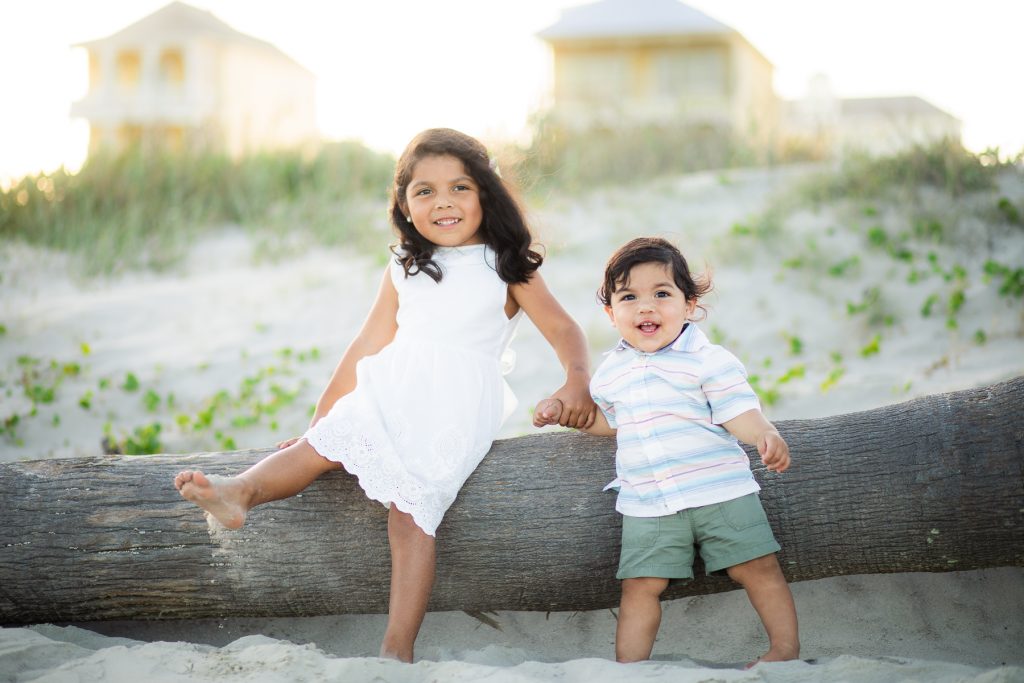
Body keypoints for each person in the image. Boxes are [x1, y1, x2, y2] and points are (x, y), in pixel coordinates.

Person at [175, 128, 597, 662]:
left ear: (486, 195)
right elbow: (367, 344)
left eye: (459, 188)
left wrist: (576, 380)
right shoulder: (405, 263)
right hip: (392, 383)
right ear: (404, 204)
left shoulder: (505, 265)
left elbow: (564, 330)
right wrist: (318, 420)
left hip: (457, 401)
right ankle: (239, 494)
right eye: (424, 191)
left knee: (411, 512)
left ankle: (397, 648)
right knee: (321, 447)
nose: (443, 202)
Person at [534, 236, 799, 666]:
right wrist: (568, 414)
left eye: (662, 294)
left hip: (721, 492)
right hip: (648, 502)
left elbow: (737, 411)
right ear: (611, 313)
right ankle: (629, 668)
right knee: (640, 585)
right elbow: (612, 422)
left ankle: (784, 649)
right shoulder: (611, 373)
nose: (646, 307)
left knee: (757, 567)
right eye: (629, 297)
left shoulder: (708, 361)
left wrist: (764, 433)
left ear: (689, 305)